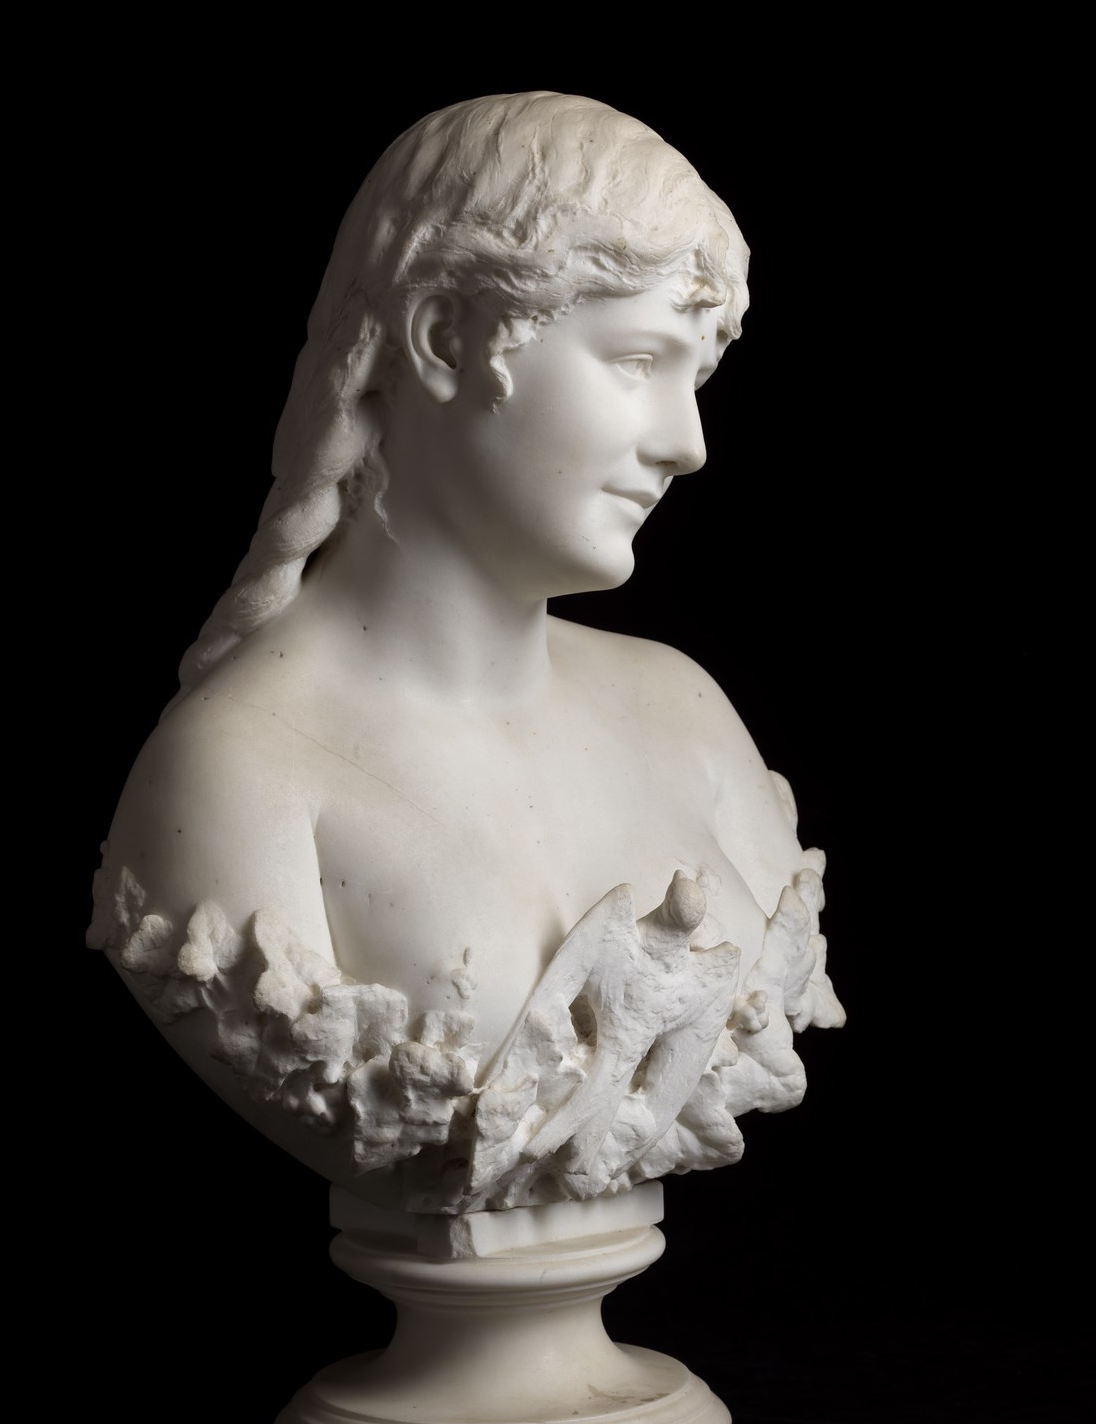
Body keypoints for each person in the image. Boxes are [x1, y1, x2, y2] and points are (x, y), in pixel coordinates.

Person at [93, 92, 839, 1204]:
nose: (687, 444)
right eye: (637, 359)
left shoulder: (686, 710)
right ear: (446, 337)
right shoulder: (238, 777)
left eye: (695, 379)